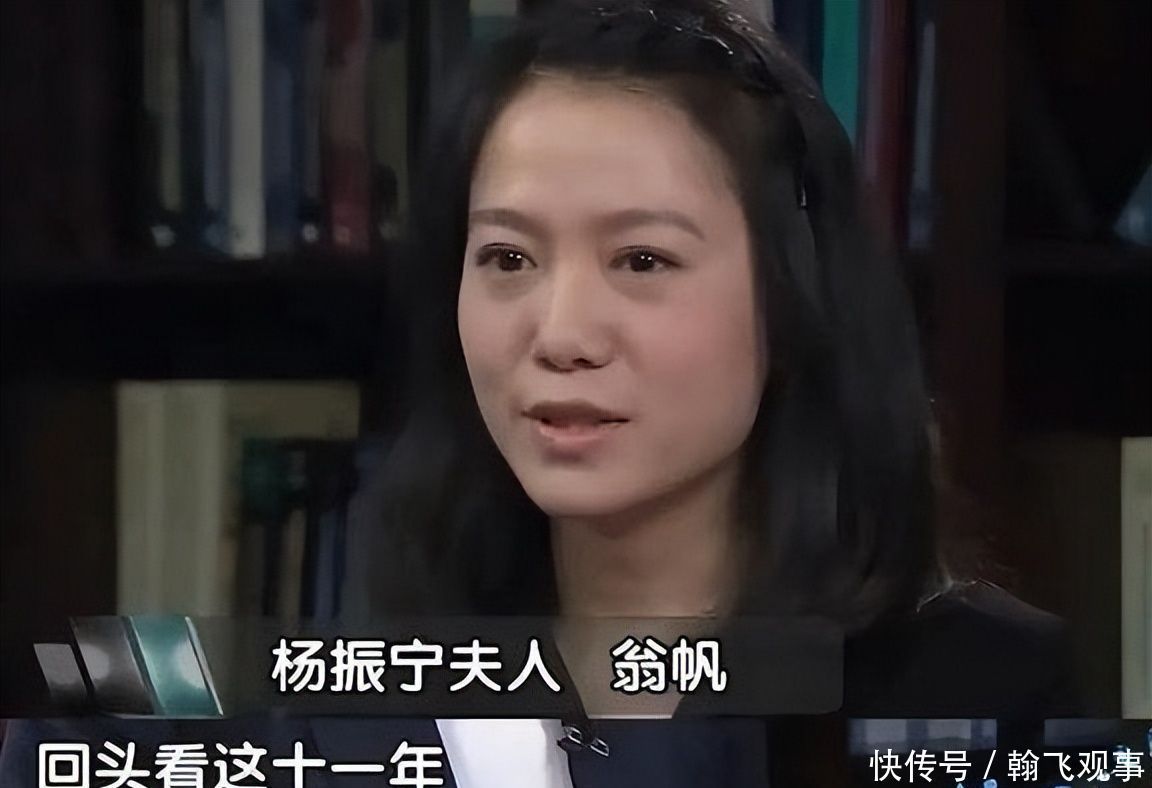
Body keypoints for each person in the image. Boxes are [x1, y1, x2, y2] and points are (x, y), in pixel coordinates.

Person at [0, 2, 1080, 786]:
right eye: (508, 259)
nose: (560, 335)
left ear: (796, 304)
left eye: (642, 261)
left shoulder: (977, 694)